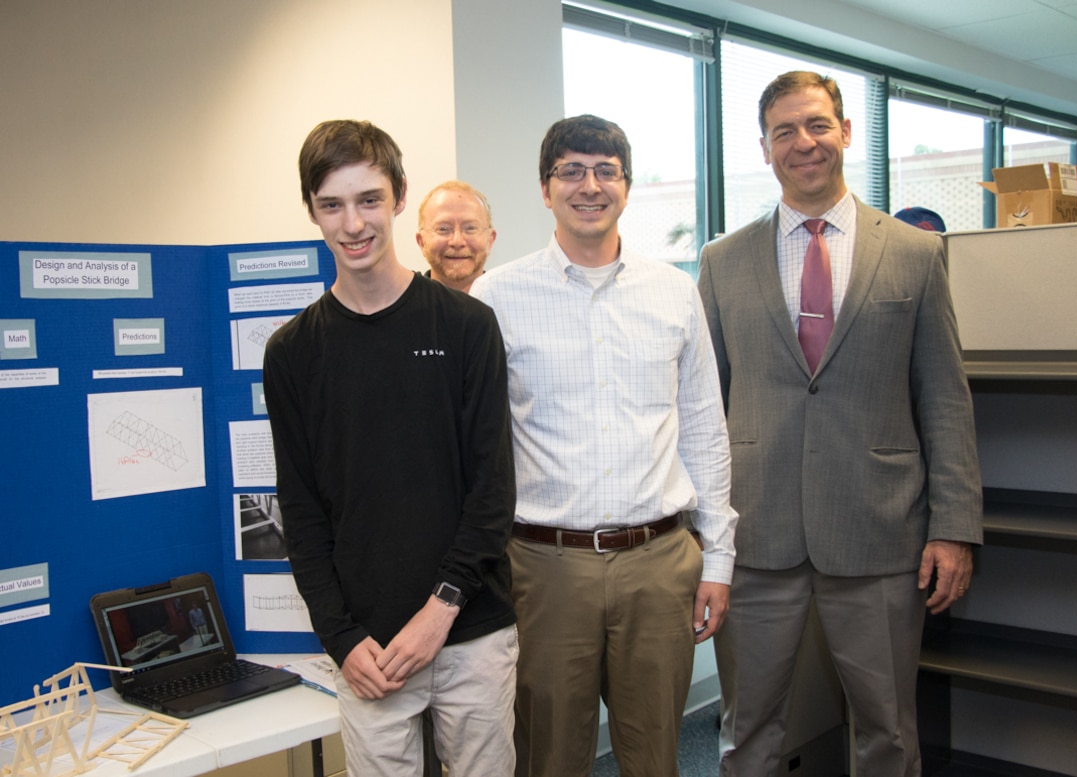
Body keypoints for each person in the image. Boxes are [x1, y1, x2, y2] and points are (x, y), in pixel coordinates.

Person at [697, 71, 983, 776]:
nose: (804, 142)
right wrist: (703, 535)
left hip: (881, 528)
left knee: (886, 730)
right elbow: (702, 406)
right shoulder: (722, 260)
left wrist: (954, 525)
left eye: (817, 124)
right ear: (764, 148)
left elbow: (943, 397)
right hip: (755, 532)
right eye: (785, 131)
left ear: (846, 132)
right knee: (748, 729)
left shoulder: (914, 254)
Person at [471, 114, 739, 777]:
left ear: (626, 185)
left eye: (605, 170)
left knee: (655, 755)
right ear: (544, 188)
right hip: (544, 565)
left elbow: (705, 427)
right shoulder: (497, 296)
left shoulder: (674, 292)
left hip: (659, 561)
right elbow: (476, 443)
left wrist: (719, 558)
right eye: (571, 170)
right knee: (549, 755)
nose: (589, 185)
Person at [263, 119, 518, 777]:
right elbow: (303, 512)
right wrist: (340, 638)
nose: (353, 223)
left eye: (368, 199)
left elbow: (491, 491)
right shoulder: (292, 353)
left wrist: (441, 607)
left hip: (469, 629)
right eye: (332, 205)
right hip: (366, 649)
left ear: (400, 196)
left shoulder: (465, 326)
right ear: (312, 211)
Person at [417, 180, 497, 291]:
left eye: (470, 228)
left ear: (490, 241)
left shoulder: (509, 304)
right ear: (421, 243)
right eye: (443, 229)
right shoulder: (404, 307)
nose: (457, 242)